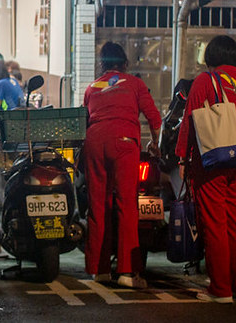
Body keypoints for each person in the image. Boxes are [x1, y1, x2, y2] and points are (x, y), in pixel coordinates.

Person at [175, 35, 236, 303]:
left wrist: (183, 158)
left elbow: (189, 122)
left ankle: (220, 289)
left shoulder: (206, 80)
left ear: (211, 56)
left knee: (215, 225)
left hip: (211, 161)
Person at [82, 42, 162, 289]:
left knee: (98, 206)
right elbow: (155, 118)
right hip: (124, 143)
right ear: (124, 63)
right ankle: (127, 272)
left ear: (102, 64)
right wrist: (154, 144)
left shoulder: (92, 87)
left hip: (94, 142)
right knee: (127, 205)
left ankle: (99, 270)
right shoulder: (135, 84)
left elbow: (84, 118)